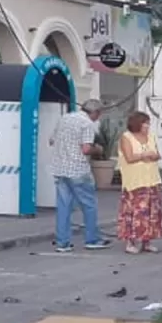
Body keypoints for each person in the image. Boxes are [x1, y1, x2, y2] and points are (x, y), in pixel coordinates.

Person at [49, 99, 112, 253]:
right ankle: (92, 239)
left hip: (60, 169)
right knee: (89, 205)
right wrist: (97, 149)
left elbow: (51, 141)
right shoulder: (87, 124)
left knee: (64, 206)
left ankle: (63, 243)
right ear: (95, 113)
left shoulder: (64, 119)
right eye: (99, 114)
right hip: (78, 170)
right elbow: (85, 149)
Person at [117, 111, 162, 254]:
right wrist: (144, 155)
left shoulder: (151, 137)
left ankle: (147, 241)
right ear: (137, 123)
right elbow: (129, 157)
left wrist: (154, 156)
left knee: (151, 211)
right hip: (135, 181)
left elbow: (157, 154)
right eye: (145, 123)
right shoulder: (126, 137)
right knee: (135, 211)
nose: (148, 126)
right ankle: (130, 242)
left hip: (151, 179)